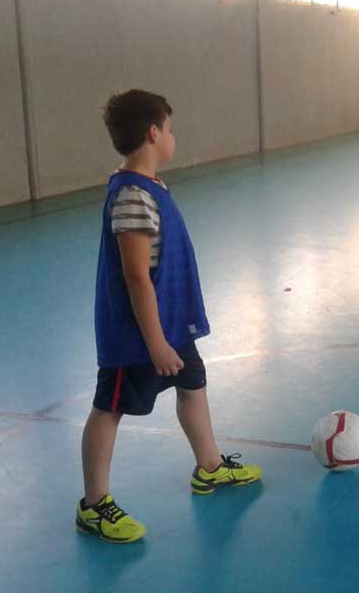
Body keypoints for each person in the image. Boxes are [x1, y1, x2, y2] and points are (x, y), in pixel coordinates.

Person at [76, 89, 261, 544]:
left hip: (170, 324)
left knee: (193, 384)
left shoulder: (150, 187)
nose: (173, 137)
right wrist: (155, 343)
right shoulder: (132, 197)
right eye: (170, 129)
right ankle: (94, 505)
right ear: (154, 132)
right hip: (139, 333)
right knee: (111, 406)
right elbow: (137, 277)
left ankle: (210, 468)